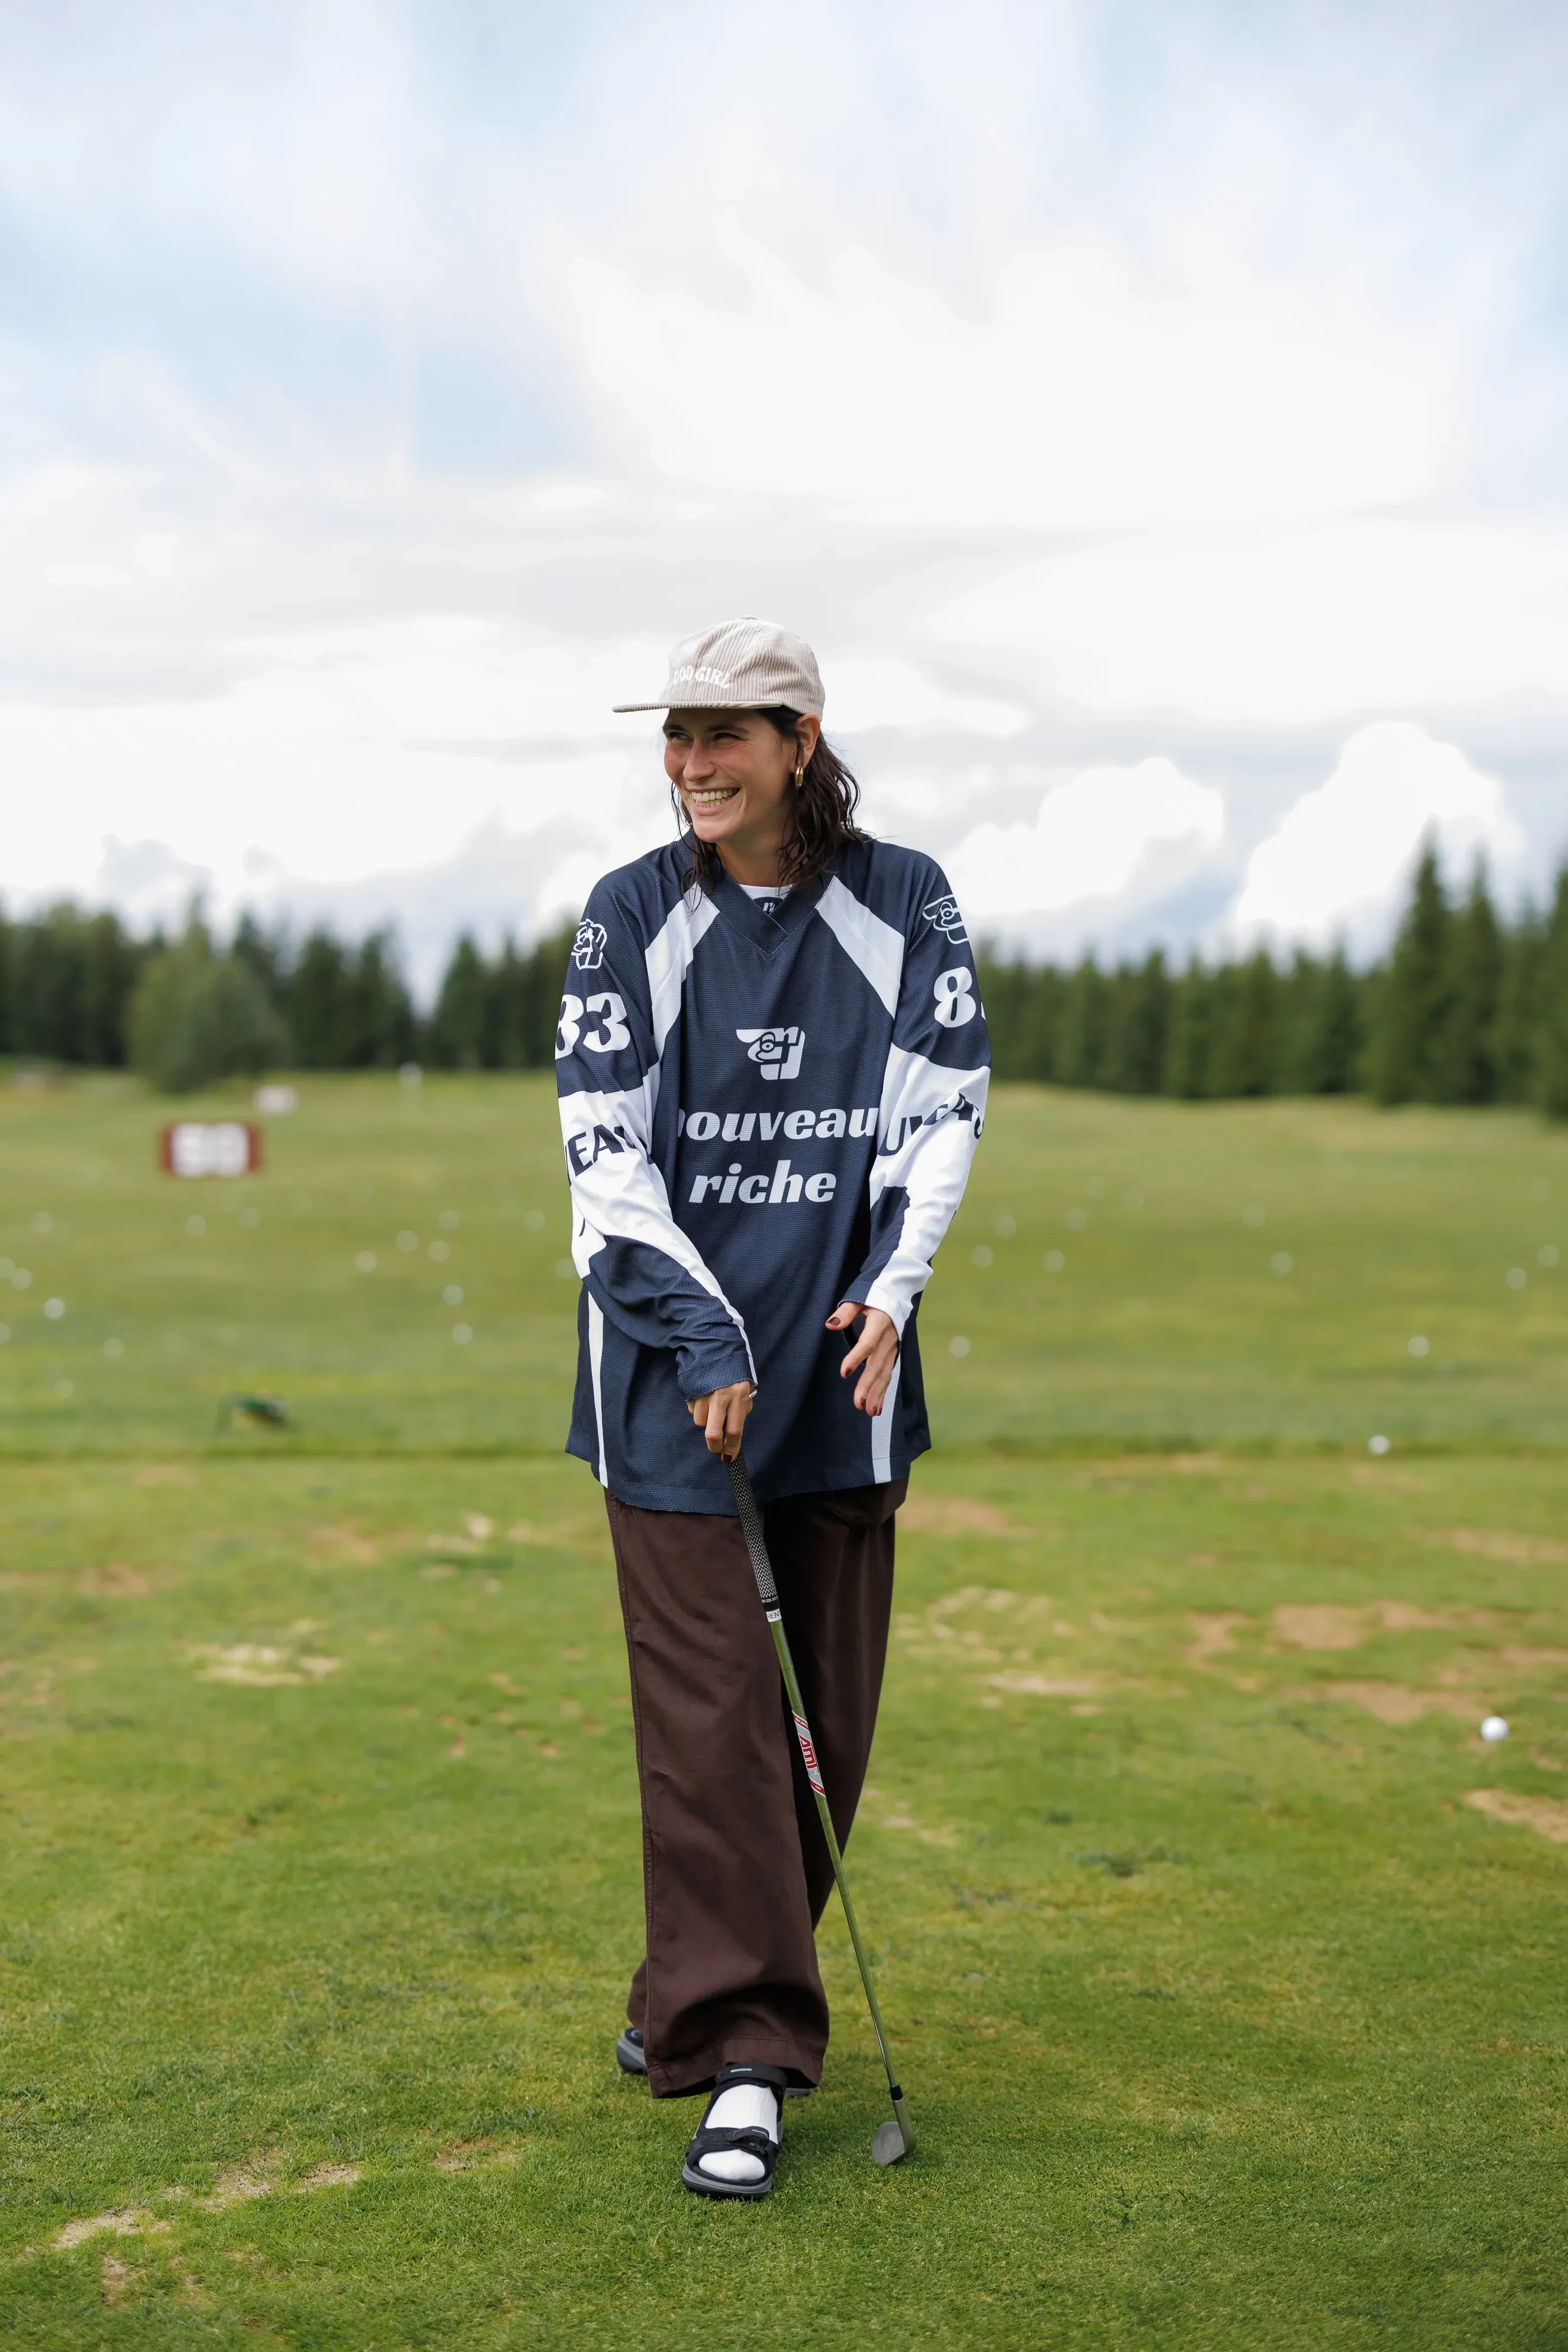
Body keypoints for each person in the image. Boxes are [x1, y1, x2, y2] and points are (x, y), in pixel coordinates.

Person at [555, 616, 989, 2198]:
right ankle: (747, 2060)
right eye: (675, 735)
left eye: (722, 734)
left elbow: (941, 1109)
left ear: (802, 741)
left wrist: (898, 1283)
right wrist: (703, 1335)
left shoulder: (906, 899)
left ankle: (692, 1985)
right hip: (672, 1388)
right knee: (714, 1726)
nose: (690, 763)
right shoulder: (629, 914)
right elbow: (603, 1151)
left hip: (847, 1375)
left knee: (826, 1736)